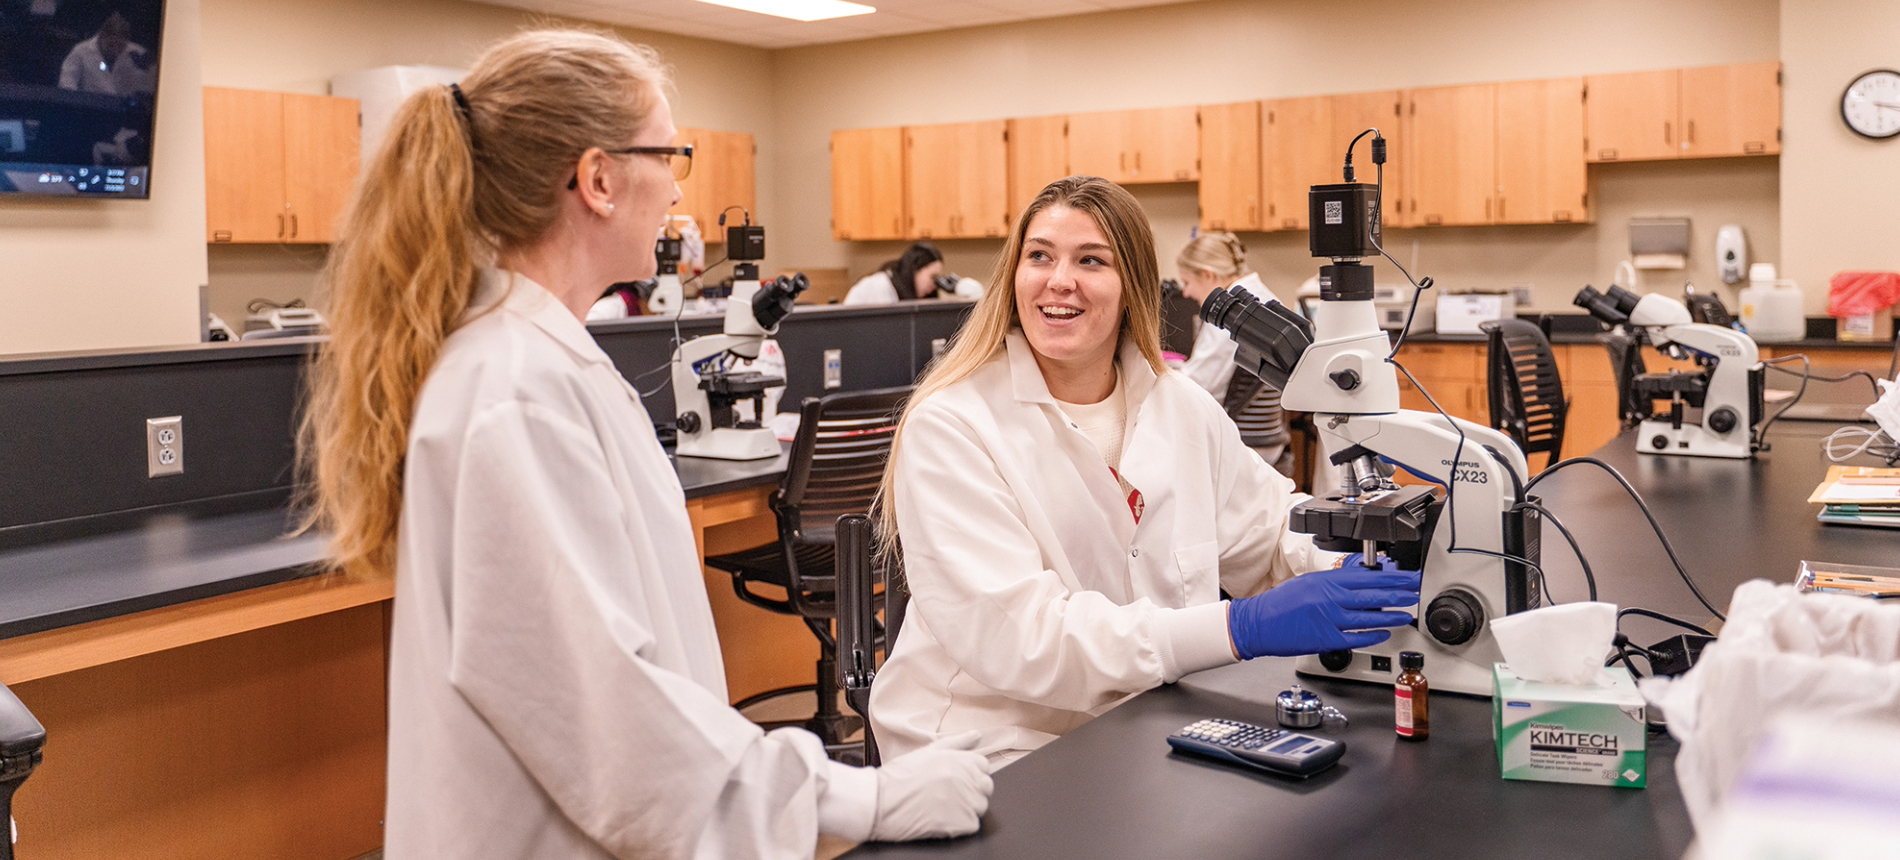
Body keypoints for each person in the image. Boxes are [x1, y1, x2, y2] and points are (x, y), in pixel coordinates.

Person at [300, 30, 991, 859]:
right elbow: (612, 720)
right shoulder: (516, 389)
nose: (675, 188)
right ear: (597, 179)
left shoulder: (543, 358)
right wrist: (864, 799)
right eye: (670, 154)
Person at [867, 176, 1420, 765]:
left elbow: (1268, 533)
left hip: (1148, 721)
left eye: (1090, 260)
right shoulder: (954, 424)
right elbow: (1026, 641)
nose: (1060, 280)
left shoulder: (1179, 404)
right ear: (1014, 277)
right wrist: (1240, 627)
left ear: (1132, 285)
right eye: (1039, 257)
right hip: (992, 748)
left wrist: (1362, 571)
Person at [1174, 232, 1290, 467]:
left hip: (1243, 447)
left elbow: (1197, 388)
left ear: (1208, 275)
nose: (1185, 293)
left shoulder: (1231, 313)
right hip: (1268, 439)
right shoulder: (1263, 298)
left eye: (1187, 282)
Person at [843, 242, 981, 304]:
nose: (934, 285)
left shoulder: (905, 294)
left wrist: (959, 287)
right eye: (932, 277)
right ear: (915, 270)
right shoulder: (877, 287)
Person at [58, 11, 155, 96]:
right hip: (91, 108)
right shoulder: (81, 51)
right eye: (111, 45)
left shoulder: (137, 54)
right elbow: (67, 83)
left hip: (125, 111)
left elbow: (151, 87)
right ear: (101, 37)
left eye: (120, 46)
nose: (115, 50)